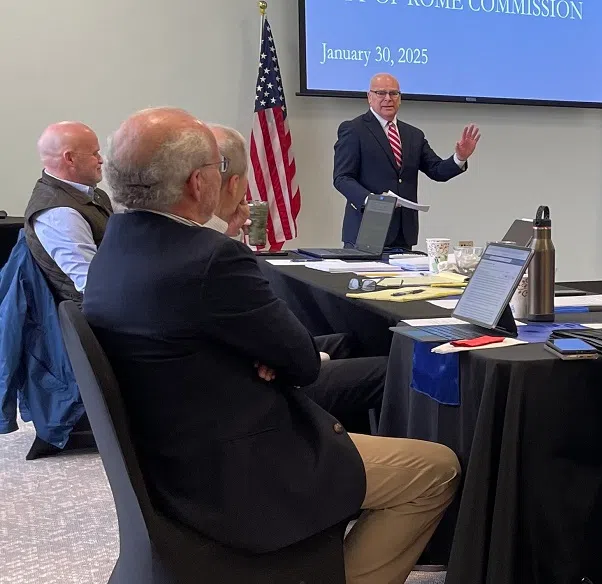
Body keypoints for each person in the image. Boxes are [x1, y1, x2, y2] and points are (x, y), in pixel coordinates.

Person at [82, 107, 460, 584]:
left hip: (176, 455)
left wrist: (263, 357)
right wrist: (268, 358)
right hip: (241, 467)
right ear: (199, 183)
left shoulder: (115, 248)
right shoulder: (210, 259)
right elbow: (302, 363)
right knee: (437, 470)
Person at [206, 123, 386, 431]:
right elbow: (296, 355)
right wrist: (274, 356)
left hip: (233, 376)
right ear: (234, 184)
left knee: (347, 343)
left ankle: (342, 441)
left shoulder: (167, 245)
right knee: (391, 368)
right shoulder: (220, 257)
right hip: (254, 398)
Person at [333, 73, 481, 251]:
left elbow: (436, 170)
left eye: (393, 93)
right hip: (365, 231)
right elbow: (342, 178)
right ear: (369, 97)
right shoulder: (354, 129)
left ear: (400, 98)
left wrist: (460, 158)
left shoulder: (413, 135)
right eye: (381, 93)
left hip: (404, 234)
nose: (388, 98)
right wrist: (372, 201)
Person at [23, 122, 112, 305]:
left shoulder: (91, 194)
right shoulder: (60, 214)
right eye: (94, 153)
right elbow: (93, 285)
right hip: (98, 312)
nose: (101, 159)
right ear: (70, 159)